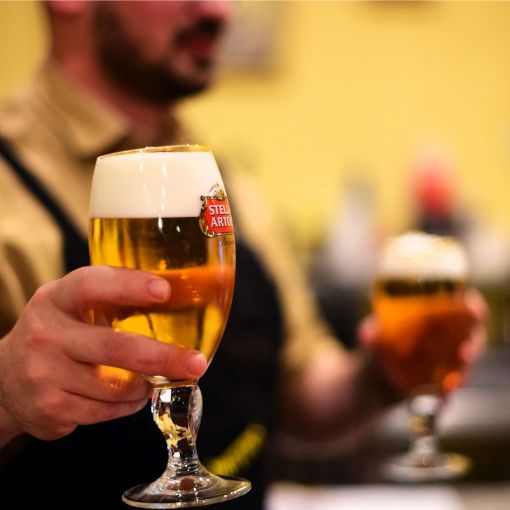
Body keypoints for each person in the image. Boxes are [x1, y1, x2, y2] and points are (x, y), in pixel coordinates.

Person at [0, 2, 486, 509]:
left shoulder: (216, 182)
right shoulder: (8, 180)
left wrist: (380, 374)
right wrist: (4, 396)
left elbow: (300, 392)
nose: (219, 8)